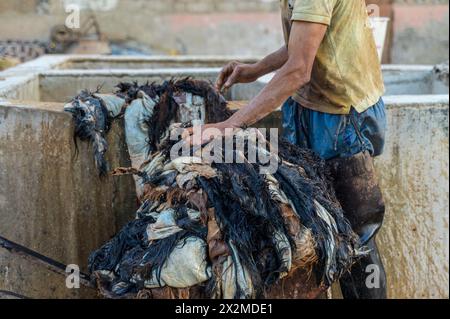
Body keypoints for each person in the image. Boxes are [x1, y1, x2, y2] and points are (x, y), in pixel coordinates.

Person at [186, 0, 387, 299]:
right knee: (313, 231)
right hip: (308, 110)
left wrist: (229, 125)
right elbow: (303, 41)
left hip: (343, 117)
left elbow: (298, 68)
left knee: (357, 236)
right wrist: (256, 69)